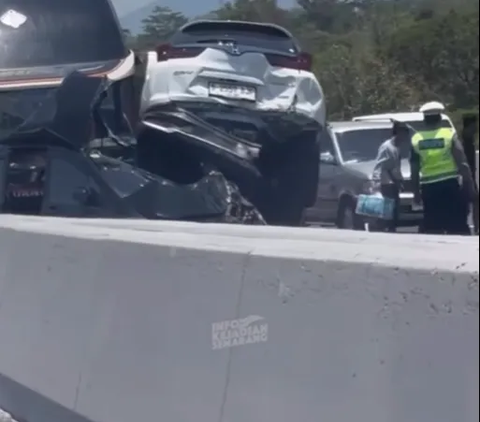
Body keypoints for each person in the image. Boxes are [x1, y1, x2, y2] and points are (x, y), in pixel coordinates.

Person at [410, 102, 477, 235]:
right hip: (449, 185)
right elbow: (462, 161)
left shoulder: (416, 139)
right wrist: (469, 184)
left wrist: (416, 193)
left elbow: (414, 169)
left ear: (424, 120)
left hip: (428, 187)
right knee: (456, 223)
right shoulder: (448, 134)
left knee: (433, 225)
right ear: (440, 119)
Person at [371, 120, 411, 232]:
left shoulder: (397, 147)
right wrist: (376, 183)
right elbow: (379, 165)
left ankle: (391, 228)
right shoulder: (386, 147)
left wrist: (400, 180)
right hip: (386, 183)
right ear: (398, 132)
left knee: (394, 211)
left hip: (393, 183)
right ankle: (382, 228)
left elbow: (396, 168)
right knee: (387, 211)